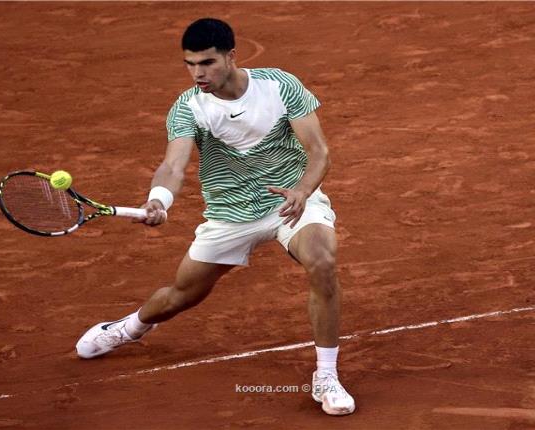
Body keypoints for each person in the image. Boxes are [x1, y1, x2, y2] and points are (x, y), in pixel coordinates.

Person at [75, 18, 355, 416]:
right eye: (190, 64)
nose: (197, 73)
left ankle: (326, 376)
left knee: (322, 261)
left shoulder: (280, 85)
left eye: (207, 62)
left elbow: (319, 152)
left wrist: (303, 191)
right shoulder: (188, 108)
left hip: (290, 201)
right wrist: (159, 200)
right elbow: (173, 166)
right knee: (181, 296)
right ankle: (130, 327)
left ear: (231, 56)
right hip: (230, 215)